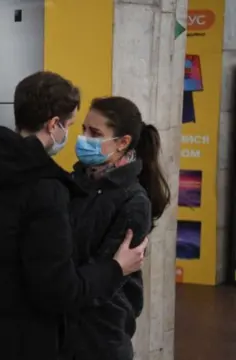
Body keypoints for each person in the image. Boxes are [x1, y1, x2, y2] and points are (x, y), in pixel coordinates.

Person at [0, 71, 148, 359]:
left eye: (94, 133)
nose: (79, 138)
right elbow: (59, 289)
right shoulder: (47, 187)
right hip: (24, 340)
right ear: (54, 124)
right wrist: (116, 269)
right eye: (72, 126)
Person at [66, 96, 170, 360]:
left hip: (101, 339)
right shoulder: (75, 182)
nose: (84, 138)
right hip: (66, 333)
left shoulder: (134, 201)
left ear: (123, 142)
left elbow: (104, 278)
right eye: (84, 130)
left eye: (95, 133)